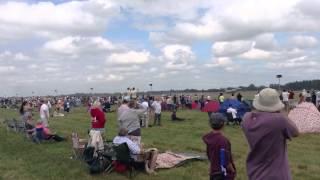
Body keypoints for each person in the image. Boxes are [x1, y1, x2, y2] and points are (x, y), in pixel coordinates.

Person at [242, 88, 299, 180]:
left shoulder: (246, 118)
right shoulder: (279, 120)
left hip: (254, 171)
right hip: (277, 173)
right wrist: (281, 113)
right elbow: (295, 132)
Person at [203, 113, 236, 180]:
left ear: (210, 124)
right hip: (222, 173)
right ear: (223, 124)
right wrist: (232, 170)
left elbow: (209, 154)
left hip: (213, 170)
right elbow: (226, 160)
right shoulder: (223, 141)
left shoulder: (209, 137)